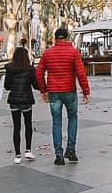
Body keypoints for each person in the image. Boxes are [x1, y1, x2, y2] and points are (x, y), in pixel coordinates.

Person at [35, 26, 90, 165]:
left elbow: (39, 73)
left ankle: (59, 155)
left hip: (54, 92)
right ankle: (71, 150)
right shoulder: (73, 52)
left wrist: (44, 90)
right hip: (70, 91)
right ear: (67, 38)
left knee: (56, 122)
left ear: (55, 39)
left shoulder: (48, 53)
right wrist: (85, 91)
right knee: (73, 117)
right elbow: (80, 73)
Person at [2, 47, 37, 163]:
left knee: (16, 127)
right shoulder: (30, 69)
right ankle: (28, 150)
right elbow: (35, 85)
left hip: (14, 100)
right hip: (26, 100)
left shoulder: (10, 69)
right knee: (28, 125)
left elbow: (7, 86)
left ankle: (17, 155)